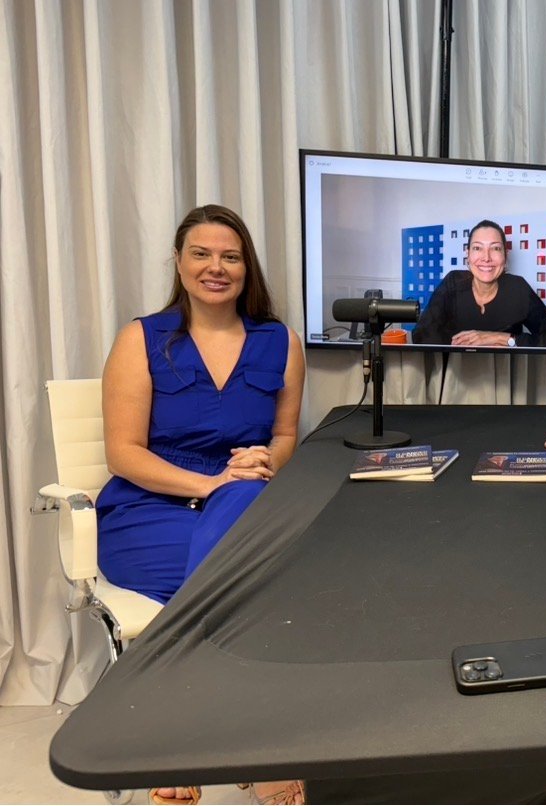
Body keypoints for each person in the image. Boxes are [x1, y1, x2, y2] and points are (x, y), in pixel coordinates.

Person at [94, 204, 306, 806]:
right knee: (255, 585)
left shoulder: (280, 342)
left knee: (247, 502)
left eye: (230, 256)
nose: (216, 267)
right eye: (202, 254)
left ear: (246, 267)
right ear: (179, 262)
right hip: (147, 511)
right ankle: (255, 742)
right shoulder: (141, 338)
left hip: (242, 501)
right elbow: (122, 453)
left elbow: (285, 437)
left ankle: (179, 733)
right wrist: (208, 485)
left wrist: (265, 461)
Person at [411, 219, 546, 348]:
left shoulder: (518, 288)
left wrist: (500, 338)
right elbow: (421, 334)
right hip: (458, 373)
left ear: (505, 256)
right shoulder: (453, 281)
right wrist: (463, 348)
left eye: (495, 248)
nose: (486, 258)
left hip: (505, 374)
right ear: (468, 254)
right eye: (477, 248)